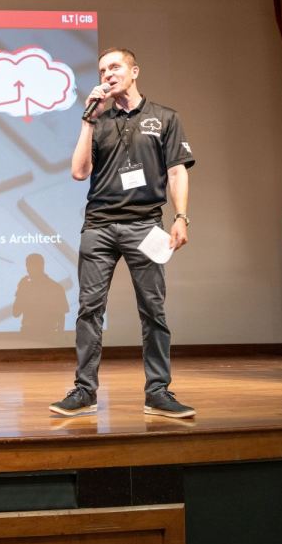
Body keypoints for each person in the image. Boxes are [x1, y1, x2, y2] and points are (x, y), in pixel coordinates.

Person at [49, 47, 196, 419]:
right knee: (89, 310)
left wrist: (181, 216)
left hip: (145, 225)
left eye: (115, 67)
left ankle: (158, 392)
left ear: (134, 71)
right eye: (102, 70)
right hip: (98, 225)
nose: (107, 74)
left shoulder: (164, 117)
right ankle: (85, 391)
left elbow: (178, 171)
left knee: (153, 310)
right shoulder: (97, 121)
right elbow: (79, 172)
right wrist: (87, 121)